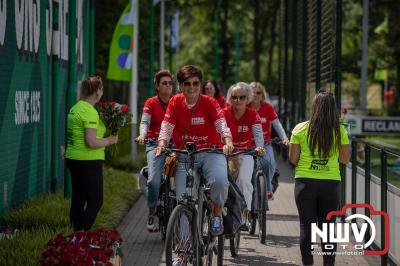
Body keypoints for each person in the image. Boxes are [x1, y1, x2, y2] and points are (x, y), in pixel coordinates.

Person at [155, 65, 234, 237]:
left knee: (220, 181)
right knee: (182, 200)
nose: (192, 87)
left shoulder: (209, 102)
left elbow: (221, 124)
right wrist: (161, 144)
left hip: (211, 153)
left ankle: (217, 213)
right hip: (184, 155)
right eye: (187, 83)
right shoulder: (175, 102)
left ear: (200, 84)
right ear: (181, 86)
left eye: (196, 83)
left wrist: (227, 140)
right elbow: (166, 127)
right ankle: (183, 247)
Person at [289, 91, 350, 266]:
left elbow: (293, 159)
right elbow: (345, 159)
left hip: (304, 183)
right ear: (333, 109)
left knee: (306, 228)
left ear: (314, 107)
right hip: (331, 183)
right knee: (328, 229)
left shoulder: (300, 129)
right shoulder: (340, 131)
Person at [65, 75, 118, 231]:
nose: (102, 93)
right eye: (101, 89)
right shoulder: (89, 112)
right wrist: (110, 140)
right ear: (97, 91)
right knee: (95, 202)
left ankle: (73, 235)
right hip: (88, 161)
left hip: (73, 158)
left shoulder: (75, 108)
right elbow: (91, 141)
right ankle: (80, 236)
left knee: (78, 199)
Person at [136, 69, 174, 232]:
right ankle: (152, 212)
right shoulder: (151, 103)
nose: (168, 86)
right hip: (154, 144)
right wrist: (143, 134)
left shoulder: (177, 101)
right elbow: (145, 122)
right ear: (157, 86)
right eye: (164, 83)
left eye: (170, 83)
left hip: (174, 146)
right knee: (153, 181)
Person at [222, 82, 265, 229]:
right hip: (226, 154)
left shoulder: (253, 114)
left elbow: (258, 134)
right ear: (230, 98)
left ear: (248, 99)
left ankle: (244, 215)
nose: (238, 100)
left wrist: (259, 146)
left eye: (242, 97)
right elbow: (218, 131)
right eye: (234, 97)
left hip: (246, 154)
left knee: (244, 181)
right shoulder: (224, 113)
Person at [249, 82, 289, 198]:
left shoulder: (268, 108)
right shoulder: (245, 108)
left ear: (263, 95)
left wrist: (285, 139)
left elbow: (277, 125)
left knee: (269, 163)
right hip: (248, 145)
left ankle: (268, 189)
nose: (256, 95)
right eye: (253, 92)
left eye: (259, 93)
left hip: (265, 144)